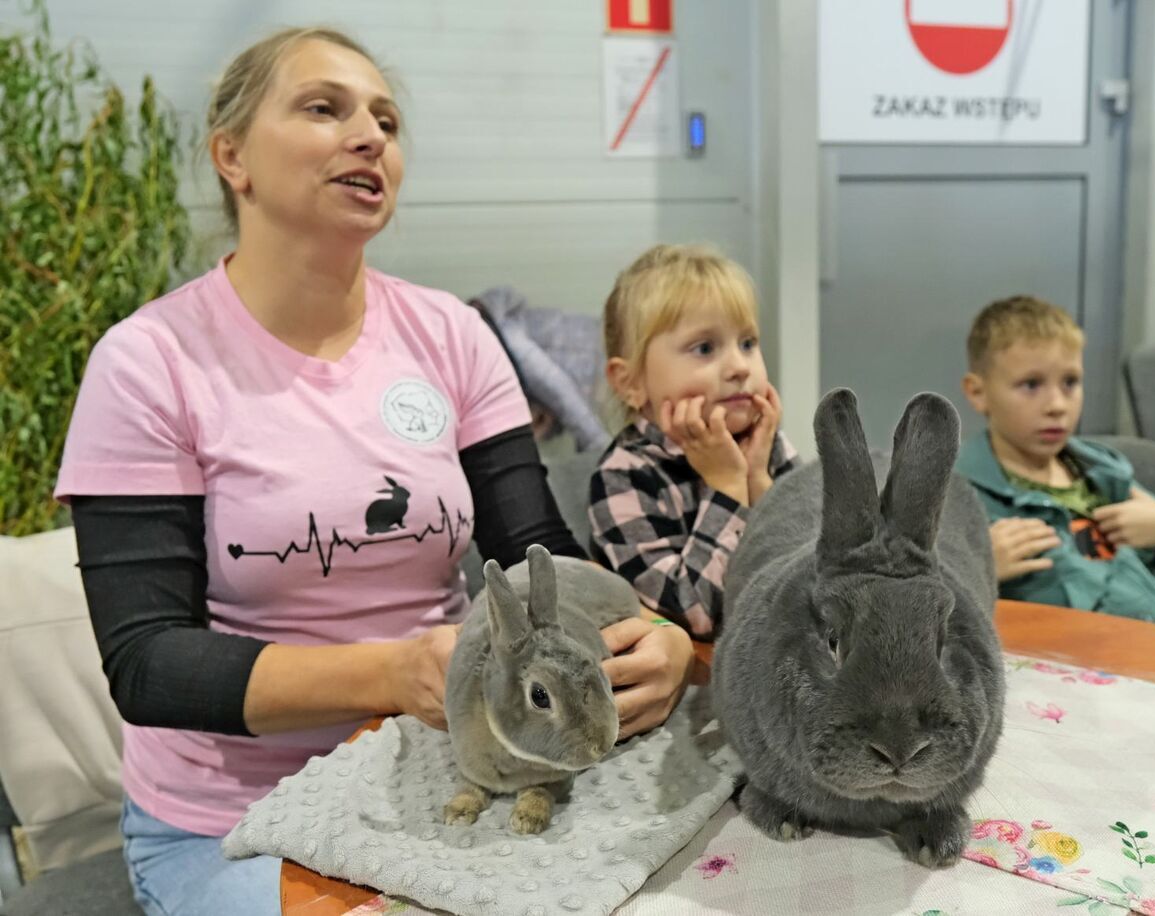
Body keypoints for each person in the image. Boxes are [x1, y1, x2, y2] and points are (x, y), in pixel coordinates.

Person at [53, 28, 692, 916]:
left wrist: (649, 634)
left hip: (456, 763)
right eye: (325, 108)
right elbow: (151, 664)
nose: (371, 136)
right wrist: (393, 674)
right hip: (239, 818)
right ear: (230, 155)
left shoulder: (452, 336)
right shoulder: (149, 363)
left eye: (386, 121)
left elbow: (538, 552)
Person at [956, 295, 1155, 632]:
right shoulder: (957, 496)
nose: (1057, 405)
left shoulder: (1102, 472)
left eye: (1070, 382)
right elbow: (913, 617)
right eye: (1031, 385)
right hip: (1079, 672)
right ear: (978, 392)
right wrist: (976, 573)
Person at [588, 244, 797, 639]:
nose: (739, 367)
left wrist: (760, 483)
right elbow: (696, 615)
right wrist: (728, 489)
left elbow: (818, 582)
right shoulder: (623, 478)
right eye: (704, 348)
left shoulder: (770, 447)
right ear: (631, 383)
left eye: (748, 343)